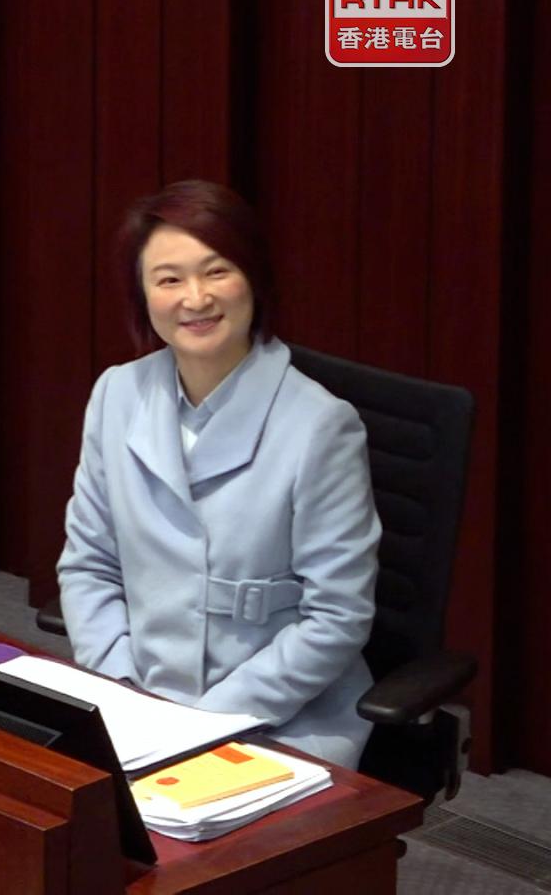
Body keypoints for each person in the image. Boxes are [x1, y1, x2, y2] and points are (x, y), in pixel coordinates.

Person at [57, 180, 380, 768]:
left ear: (253, 279)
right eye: (169, 279)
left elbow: (337, 617)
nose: (196, 298)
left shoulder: (321, 426)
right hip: (137, 703)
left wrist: (202, 725)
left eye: (217, 272)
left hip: (276, 719)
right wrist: (123, 690)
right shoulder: (116, 394)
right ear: (143, 296)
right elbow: (88, 566)